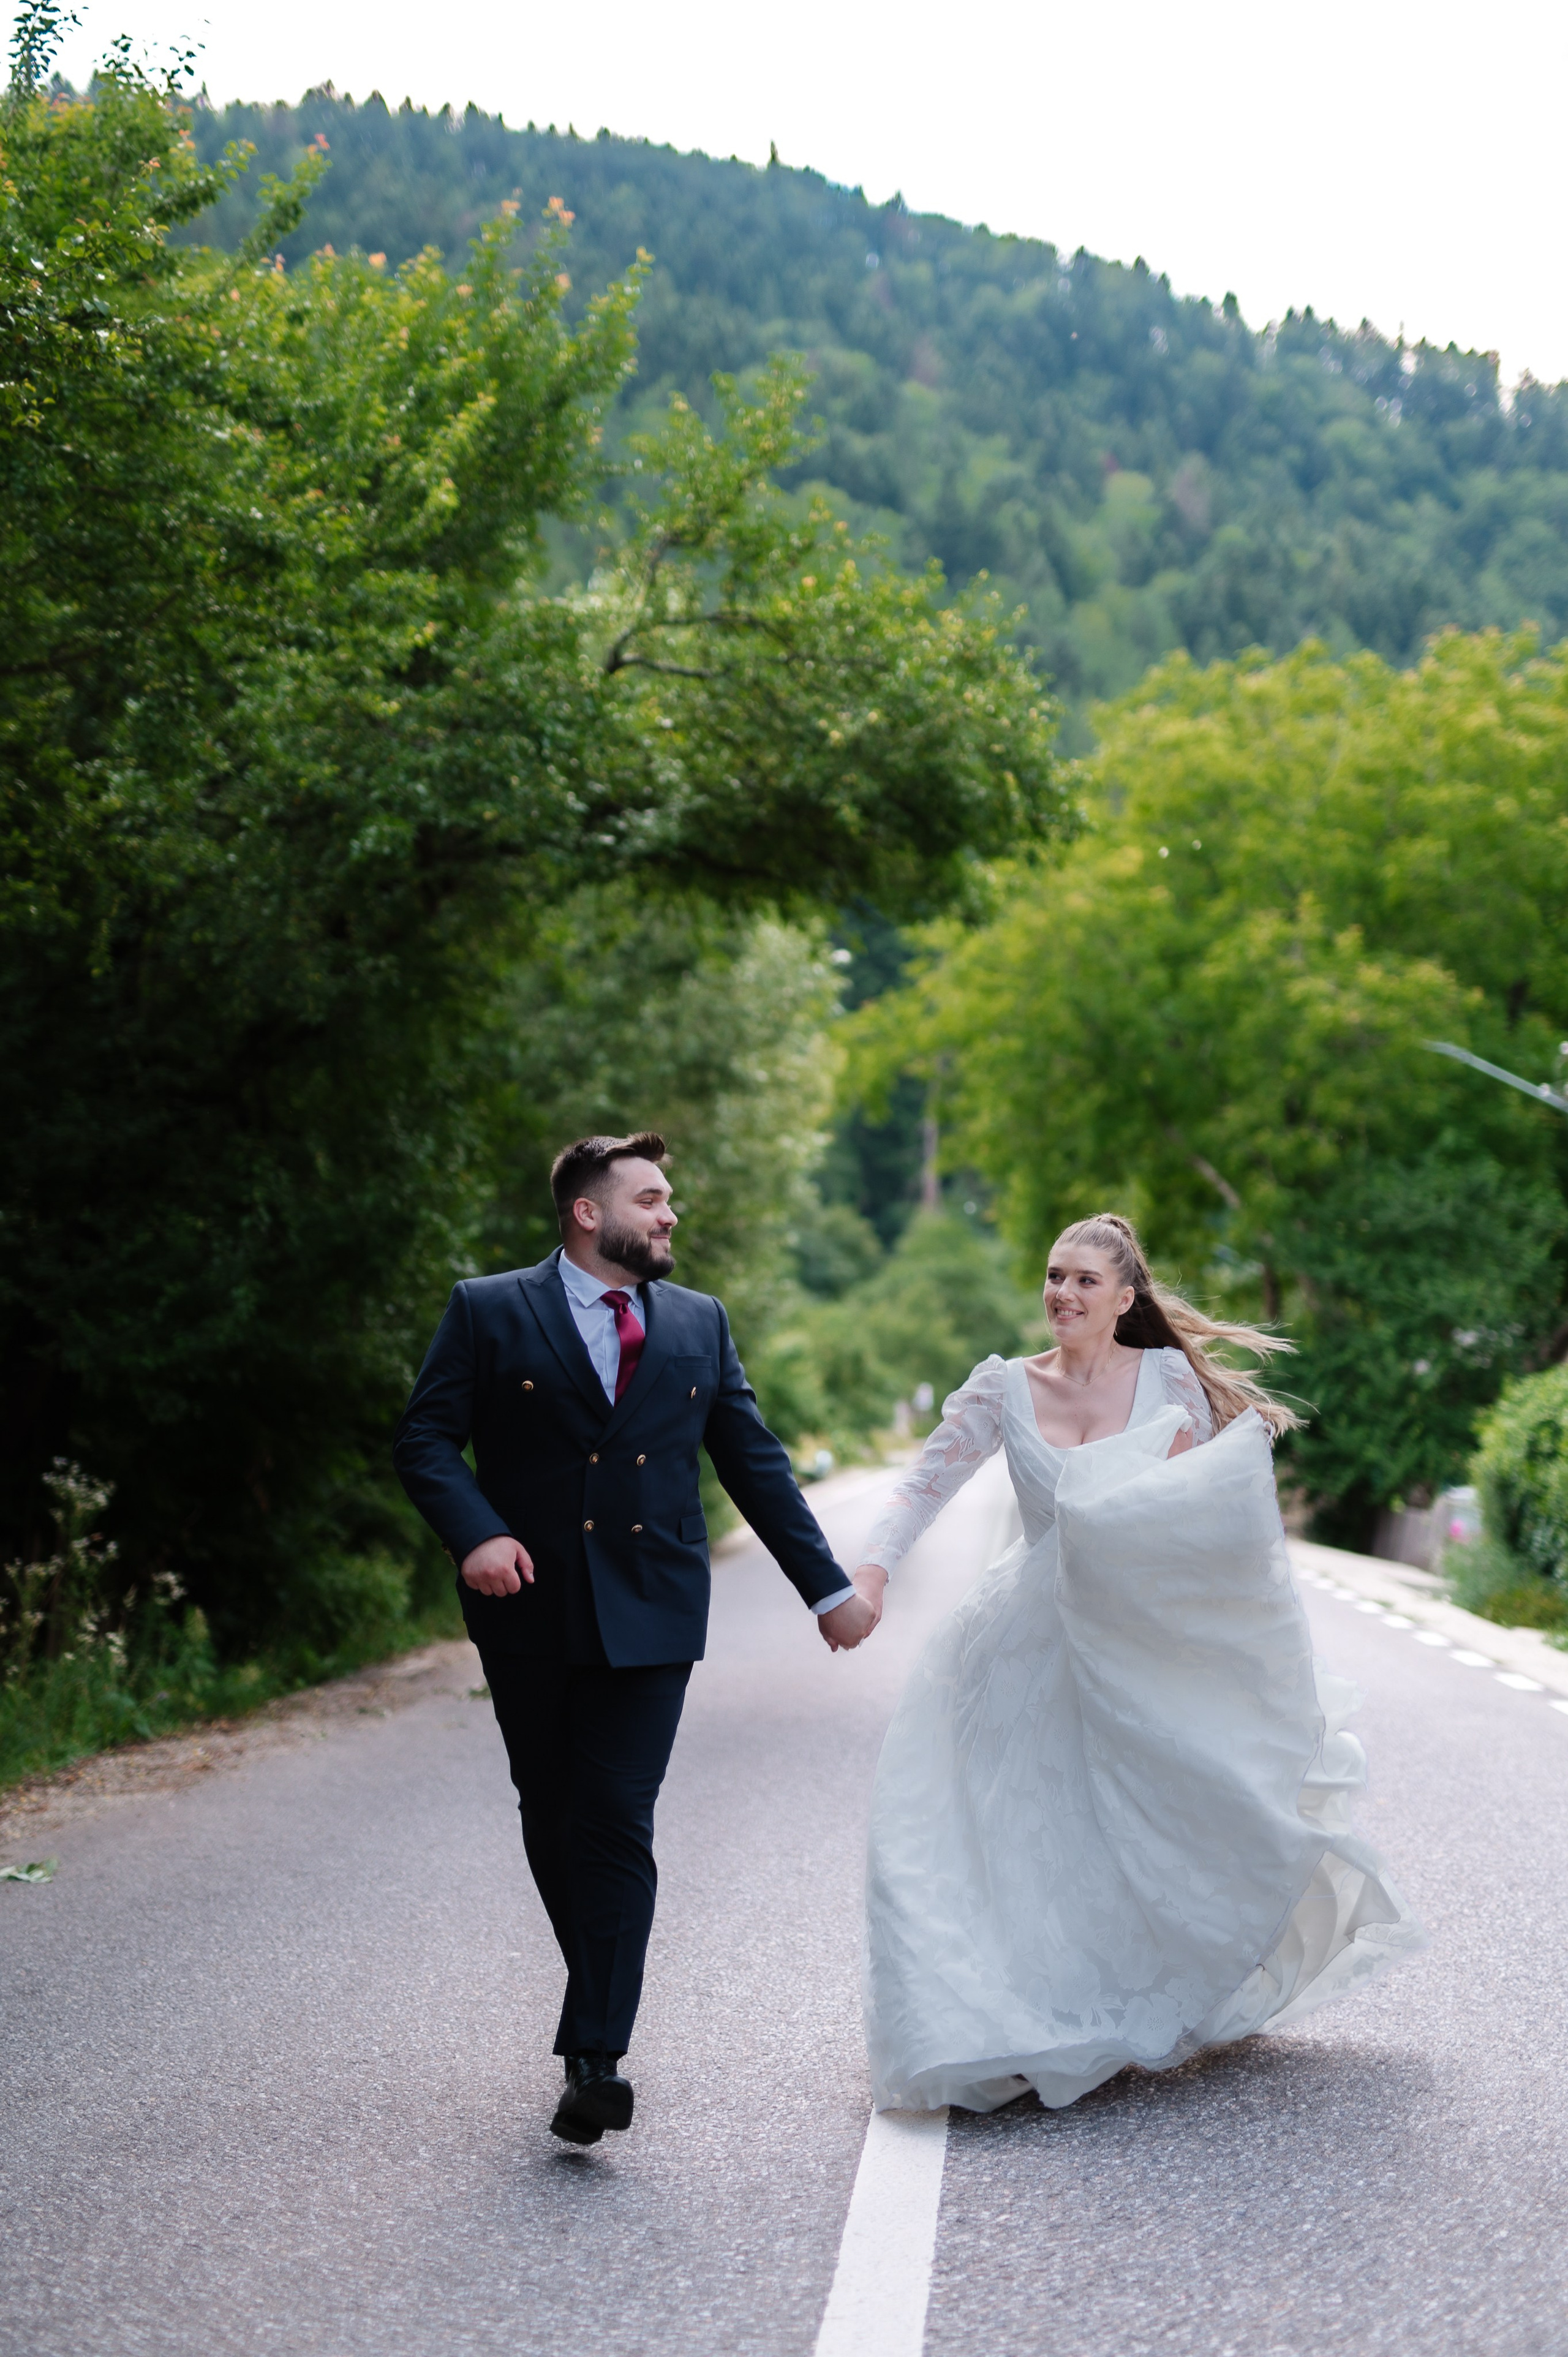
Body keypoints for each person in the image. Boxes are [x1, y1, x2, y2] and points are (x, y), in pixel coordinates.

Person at [846, 1212, 1426, 2114]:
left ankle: (1122, 1998)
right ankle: (1014, 2015)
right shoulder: (1004, 1386)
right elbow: (924, 1486)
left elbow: (1197, 1522)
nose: (1063, 1293)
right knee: (1023, 1832)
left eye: (1085, 1279)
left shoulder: (1167, 1383)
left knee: (1137, 1826)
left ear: (1124, 1298)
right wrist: (872, 1574)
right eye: (1055, 1275)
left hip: (1136, 1638)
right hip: (1022, 1643)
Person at [393, 1133, 876, 2145]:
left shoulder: (699, 1320)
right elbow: (426, 1438)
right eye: (651, 1199)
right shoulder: (489, 1309)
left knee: (615, 1817)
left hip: (654, 1608)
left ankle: (596, 2058)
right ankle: (596, 2016)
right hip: (528, 1605)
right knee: (552, 1810)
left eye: (668, 1200)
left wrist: (826, 1588)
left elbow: (752, 1460)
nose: (669, 1214)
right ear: (588, 1213)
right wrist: (475, 1532)